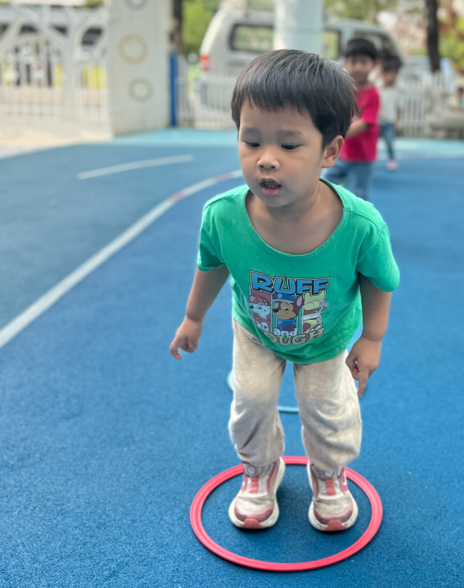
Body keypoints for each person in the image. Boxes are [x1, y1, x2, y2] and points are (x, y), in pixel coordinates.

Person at [169, 50, 399, 534]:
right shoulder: (223, 216)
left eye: (290, 145)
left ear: (330, 152)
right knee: (251, 400)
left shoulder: (360, 225)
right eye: (251, 140)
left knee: (326, 409)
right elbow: (211, 265)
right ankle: (260, 468)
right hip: (256, 330)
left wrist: (372, 338)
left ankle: (329, 473)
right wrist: (194, 317)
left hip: (326, 338)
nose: (266, 158)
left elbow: (379, 279)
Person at [323, 38, 381, 201]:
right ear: (346, 63)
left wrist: (336, 133)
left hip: (362, 158)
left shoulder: (373, 94)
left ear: (373, 64)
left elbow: (364, 123)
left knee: (359, 194)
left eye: (363, 62)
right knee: (323, 182)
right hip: (341, 153)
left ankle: (358, 216)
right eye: (353, 62)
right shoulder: (342, 91)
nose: (358, 67)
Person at [377, 60, 400, 171]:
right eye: (389, 73)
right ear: (384, 74)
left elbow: (398, 108)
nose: (392, 77)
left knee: (389, 142)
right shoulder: (377, 86)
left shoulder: (397, 91)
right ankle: (367, 158)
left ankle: (392, 159)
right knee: (370, 142)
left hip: (388, 122)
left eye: (394, 74)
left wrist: (397, 122)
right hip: (376, 121)